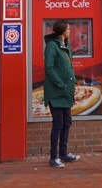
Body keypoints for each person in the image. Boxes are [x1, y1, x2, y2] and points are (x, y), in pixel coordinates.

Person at [44, 20, 81, 168]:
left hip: (66, 91)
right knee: (58, 124)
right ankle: (54, 157)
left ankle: (64, 154)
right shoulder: (52, 46)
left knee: (67, 122)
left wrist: (72, 83)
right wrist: (61, 83)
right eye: (68, 29)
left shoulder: (66, 45)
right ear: (62, 31)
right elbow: (49, 68)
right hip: (56, 92)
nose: (70, 30)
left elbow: (68, 66)